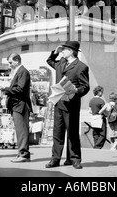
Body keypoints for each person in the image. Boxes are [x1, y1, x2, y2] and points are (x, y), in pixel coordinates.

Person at [45, 41, 90, 169]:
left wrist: (77, 90)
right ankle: (55, 159)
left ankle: (74, 159)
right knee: (57, 132)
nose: (62, 51)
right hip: (59, 102)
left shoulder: (81, 66)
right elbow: (49, 61)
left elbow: (85, 87)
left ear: (71, 51)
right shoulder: (61, 63)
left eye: (64, 49)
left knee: (72, 132)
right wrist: (56, 52)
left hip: (71, 103)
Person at [4, 53, 32, 163]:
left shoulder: (23, 71)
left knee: (22, 130)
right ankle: (21, 153)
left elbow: (20, 89)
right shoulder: (20, 71)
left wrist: (6, 89)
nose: (10, 65)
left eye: (11, 62)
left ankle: (24, 154)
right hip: (17, 105)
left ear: (17, 61)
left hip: (20, 105)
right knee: (20, 130)